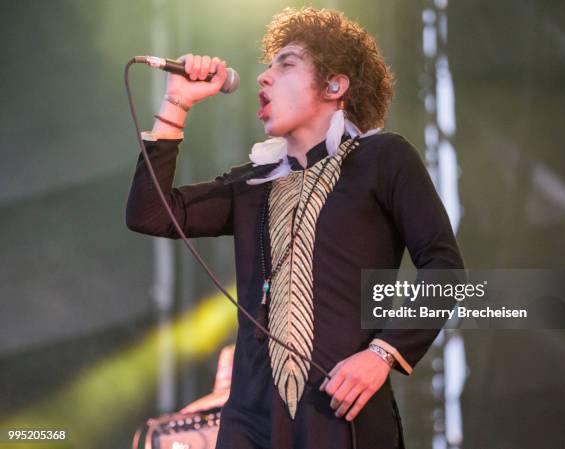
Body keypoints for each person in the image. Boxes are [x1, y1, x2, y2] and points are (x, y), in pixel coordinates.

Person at [126, 7, 464, 449]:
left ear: (334, 85)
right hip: (250, 420)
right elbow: (149, 214)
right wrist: (176, 103)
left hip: (339, 412)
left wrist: (383, 354)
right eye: (267, 67)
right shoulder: (253, 184)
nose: (264, 78)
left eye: (285, 64)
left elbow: (445, 268)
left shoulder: (381, 158)